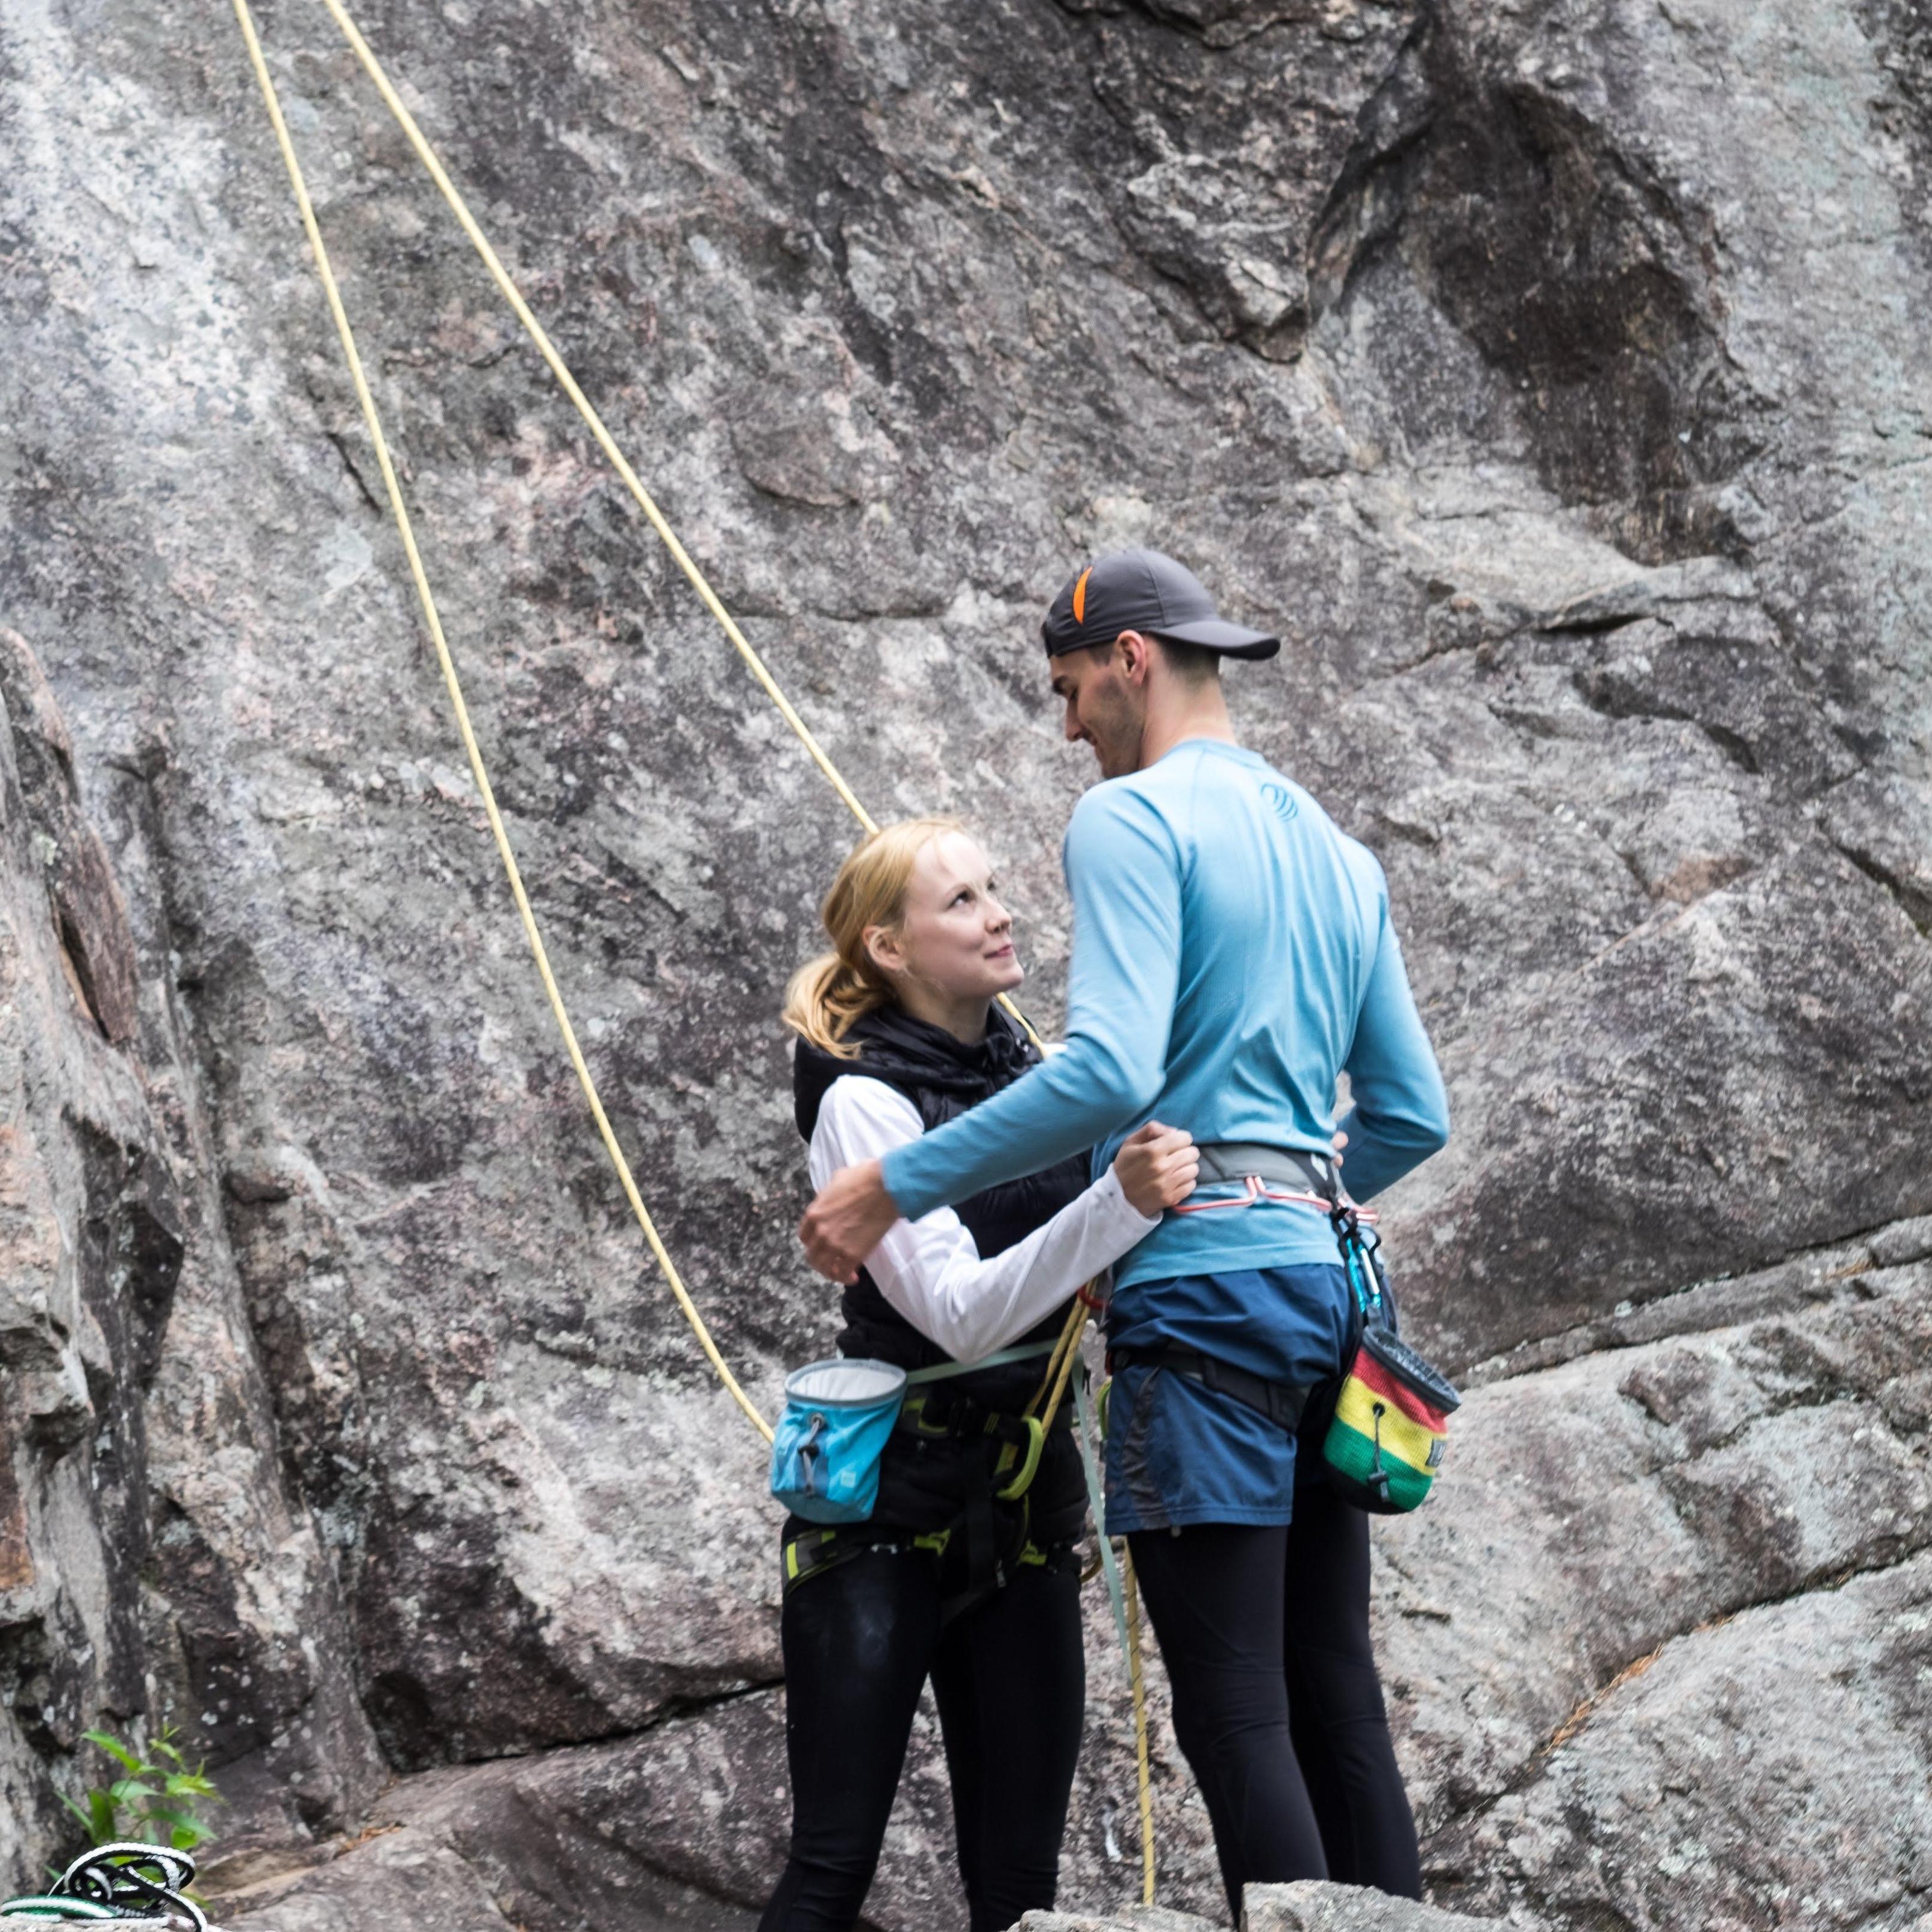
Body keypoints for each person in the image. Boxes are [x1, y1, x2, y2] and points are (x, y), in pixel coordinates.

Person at [799, 549, 1451, 1914]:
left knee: (1234, 1705)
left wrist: (893, 1187)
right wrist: (1285, 1186)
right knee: (1335, 1684)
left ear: (1131, 659)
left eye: (1068, 688)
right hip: (1332, 1289)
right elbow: (1410, 1112)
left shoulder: (1131, 819)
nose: (1067, 724)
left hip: (1208, 1302)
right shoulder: (1337, 850)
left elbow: (1104, 1070)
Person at [763, 814, 1199, 1932]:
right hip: (883, 1512)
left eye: (994, 889)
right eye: (958, 901)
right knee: (832, 1865)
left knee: (1019, 1889)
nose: (999, 912)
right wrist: (1118, 1206)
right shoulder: (861, 1098)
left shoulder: (1049, 1075)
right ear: (889, 950)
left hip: (1026, 1507)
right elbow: (957, 1316)